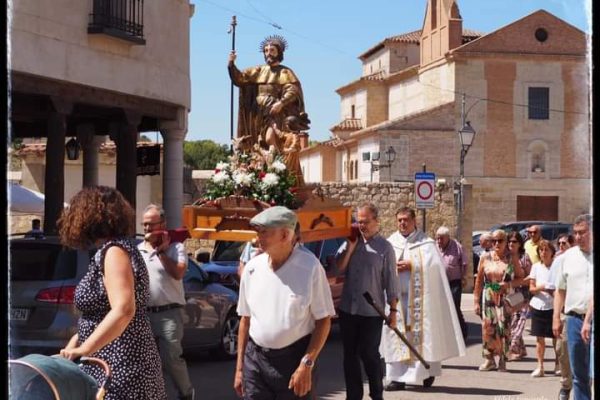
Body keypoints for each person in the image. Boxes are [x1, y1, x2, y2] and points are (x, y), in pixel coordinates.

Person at [57, 186, 166, 399]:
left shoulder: (114, 251)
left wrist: (85, 349)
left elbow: (124, 309)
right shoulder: (114, 249)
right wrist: (76, 345)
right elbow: (103, 315)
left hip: (120, 365)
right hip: (112, 361)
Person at [234, 206, 335, 399]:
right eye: (258, 232)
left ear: (285, 235)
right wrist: (239, 369)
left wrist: (307, 363)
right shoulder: (252, 268)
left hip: (294, 360)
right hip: (255, 360)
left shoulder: (310, 267)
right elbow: (245, 320)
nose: (258, 238)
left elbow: (324, 321)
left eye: (265, 232)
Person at [382, 209, 465, 391]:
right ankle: (397, 377)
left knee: (423, 335)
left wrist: (412, 265)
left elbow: (435, 268)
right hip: (396, 300)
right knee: (396, 335)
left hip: (420, 301)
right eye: (399, 220)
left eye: (406, 220)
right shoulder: (390, 242)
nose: (402, 223)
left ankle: (426, 372)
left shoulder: (426, 243)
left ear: (414, 221)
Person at [335, 203, 399, 400]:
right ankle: (353, 395)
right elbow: (339, 268)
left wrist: (393, 311)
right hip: (348, 309)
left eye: (365, 222)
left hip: (372, 311)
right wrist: (351, 246)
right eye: (358, 221)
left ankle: (376, 393)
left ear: (376, 222)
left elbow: (391, 281)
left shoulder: (385, 248)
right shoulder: (350, 242)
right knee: (350, 356)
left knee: (369, 354)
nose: (361, 225)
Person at [138, 204, 194, 400]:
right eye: (144, 225)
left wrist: (161, 252)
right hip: (144, 313)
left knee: (171, 358)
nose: (146, 229)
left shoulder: (176, 248)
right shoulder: (139, 250)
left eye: (151, 225)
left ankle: (186, 394)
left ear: (162, 224)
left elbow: (178, 273)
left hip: (169, 313)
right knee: (147, 361)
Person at [228, 35, 310, 151]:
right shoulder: (258, 70)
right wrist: (231, 63)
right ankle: (262, 165)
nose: (268, 53)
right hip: (257, 113)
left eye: (272, 50)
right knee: (257, 142)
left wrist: (281, 103)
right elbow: (240, 79)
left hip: (274, 111)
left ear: (279, 52)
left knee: (270, 138)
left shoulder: (285, 72)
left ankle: (276, 165)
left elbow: (293, 90)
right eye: (266, 51)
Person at [553, 214, 593, 400]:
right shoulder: (567, 257)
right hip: (574, 319)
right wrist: (556, 318)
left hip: (592, 319)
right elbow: (560, 290)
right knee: (579, 375)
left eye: (582, 232)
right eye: (575, 233)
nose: (578, 237)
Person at [474, 229, 525, 372]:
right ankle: (489, 359)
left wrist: (508, 284)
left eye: (500, 240)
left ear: (506, 242)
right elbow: (478, 281)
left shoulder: (511, 258)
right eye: (494, 241)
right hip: (488, 294)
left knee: (504, 328)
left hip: (504, 297)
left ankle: (503, 359)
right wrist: (476, 301)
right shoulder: (485, 257)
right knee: (487, 328)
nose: (496, 243)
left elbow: (521, 278)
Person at [547, 236, 574, 400]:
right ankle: (566, 384)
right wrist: (557, 315)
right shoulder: (561, 260)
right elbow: (553, 288)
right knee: (562, 349)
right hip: (568, 312)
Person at [528, 239, 558, 377]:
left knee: (556, 337)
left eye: (546, 250)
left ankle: (558, 364)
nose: (543, 252)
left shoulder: (557, 267)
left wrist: (551, 289)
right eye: (541, 250)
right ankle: (540, 366)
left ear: (552, 252)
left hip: (553, 306)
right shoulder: (535, 267)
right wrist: (543, 287)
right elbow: (532, 288)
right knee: (539, 338)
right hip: (538, 306)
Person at [435, 226, 468, 341]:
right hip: (440, 283)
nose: (439, 241)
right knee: (441, 309)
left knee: (454, 307)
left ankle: (463, 332)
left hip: (454, 282)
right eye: (438, 238)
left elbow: (464, 263)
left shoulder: (457, 247)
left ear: (448, 237)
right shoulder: (434, 247)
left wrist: (464, 278)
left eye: (442, 238)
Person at [506, 231, 532, 361]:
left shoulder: (524, 257)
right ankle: (521, 350)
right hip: (509, 295)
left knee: (519, 324)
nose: (511, 244)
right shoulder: (504, 257)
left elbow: (530, 278)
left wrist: (515, 282)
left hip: (523, 295)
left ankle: (512, 350)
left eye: (514, 241)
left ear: (520, 243)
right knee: (512, 324)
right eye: (509, 241)